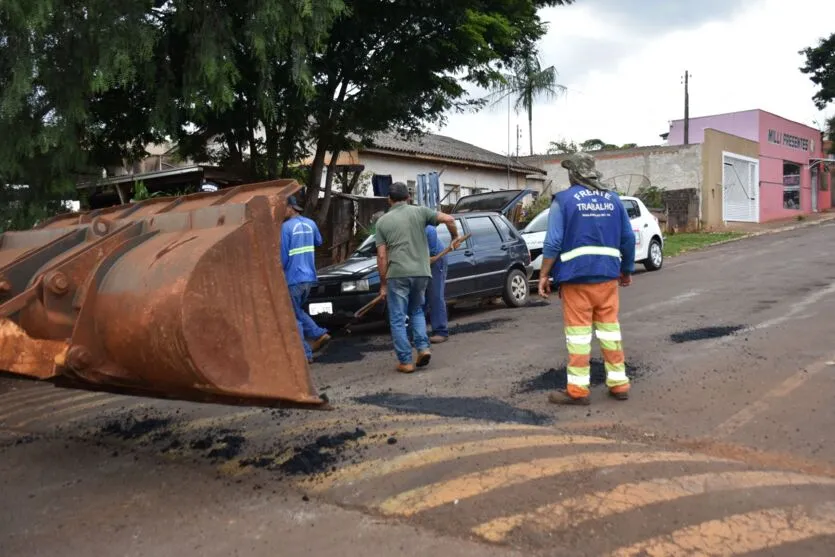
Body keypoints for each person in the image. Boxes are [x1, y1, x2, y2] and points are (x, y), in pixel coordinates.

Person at [538, 153, 636, 404]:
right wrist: (626, 269)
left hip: (576, 279)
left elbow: (553, 241)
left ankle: (579, 391)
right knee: (609, 331)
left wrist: (544, 273)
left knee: (579, 336)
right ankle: (619, 384)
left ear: (574, 173)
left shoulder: (563, 200)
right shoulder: (614, 200)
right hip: (607, 277)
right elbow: (628, 238)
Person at [375, 183, 460, 373]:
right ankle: (422, 348)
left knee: (397, 318)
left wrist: (383, 284)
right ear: (408, 197)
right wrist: (455, 237)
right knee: (417, 311)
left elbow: (381, 256)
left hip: (398, 274)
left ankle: (405, 361)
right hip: (422, 272)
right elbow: (449, 218)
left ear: (389, 199)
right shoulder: (420, 212)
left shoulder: (382, 222)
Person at [281, 195, 330, 363]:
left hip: (293, 278)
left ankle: (305, 354)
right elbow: (319, 241)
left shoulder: (285, 228)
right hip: (309, 277)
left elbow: (283, 259)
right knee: (297, 311)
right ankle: (318, 333)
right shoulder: (311, 224)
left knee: (293, 317)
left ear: (290, 208)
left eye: (283, 208)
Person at [424, 223, 449, 343]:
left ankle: (441, 331)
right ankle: (418, 332)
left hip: (436, 260)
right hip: (421, 262)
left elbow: (431, 230)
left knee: (435, 295)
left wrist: (433, 254)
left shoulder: (424, 227)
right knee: (419, 298)